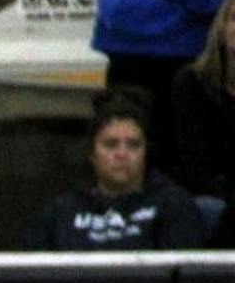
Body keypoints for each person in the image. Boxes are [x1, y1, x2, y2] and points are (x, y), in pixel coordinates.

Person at [92, 0, 235, 186]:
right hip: (134, 72)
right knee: (131, 181)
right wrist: (202, 10)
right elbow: (116, 10)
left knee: (204, 182)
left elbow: (231, 1)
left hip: (203, 72)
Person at [29, 90, 207, 250]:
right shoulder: (61, 211)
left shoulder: (174, 205)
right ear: (92, 153)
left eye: (133, 145)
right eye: (110, 144)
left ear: (146, 152)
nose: (122, 154)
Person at [172, 0, 235, 231]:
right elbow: (194, 163)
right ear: (221, 28)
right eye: (234, 19)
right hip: (212, 193)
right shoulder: (191, 82)